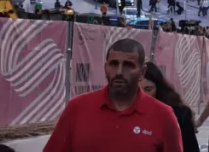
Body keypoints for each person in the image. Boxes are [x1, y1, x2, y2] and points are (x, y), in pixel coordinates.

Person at [44, 38, 183, 152]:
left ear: (142, 72)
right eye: (114, 64)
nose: (119, 72)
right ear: (105, 67)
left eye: (128, 65)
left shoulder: (163, 115)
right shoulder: (77, 108)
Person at [142, 63, 200, 152]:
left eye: (148, 89)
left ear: (159, 88)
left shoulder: (179, 114)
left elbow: (191, 148)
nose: (143, 95)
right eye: (138, 90)